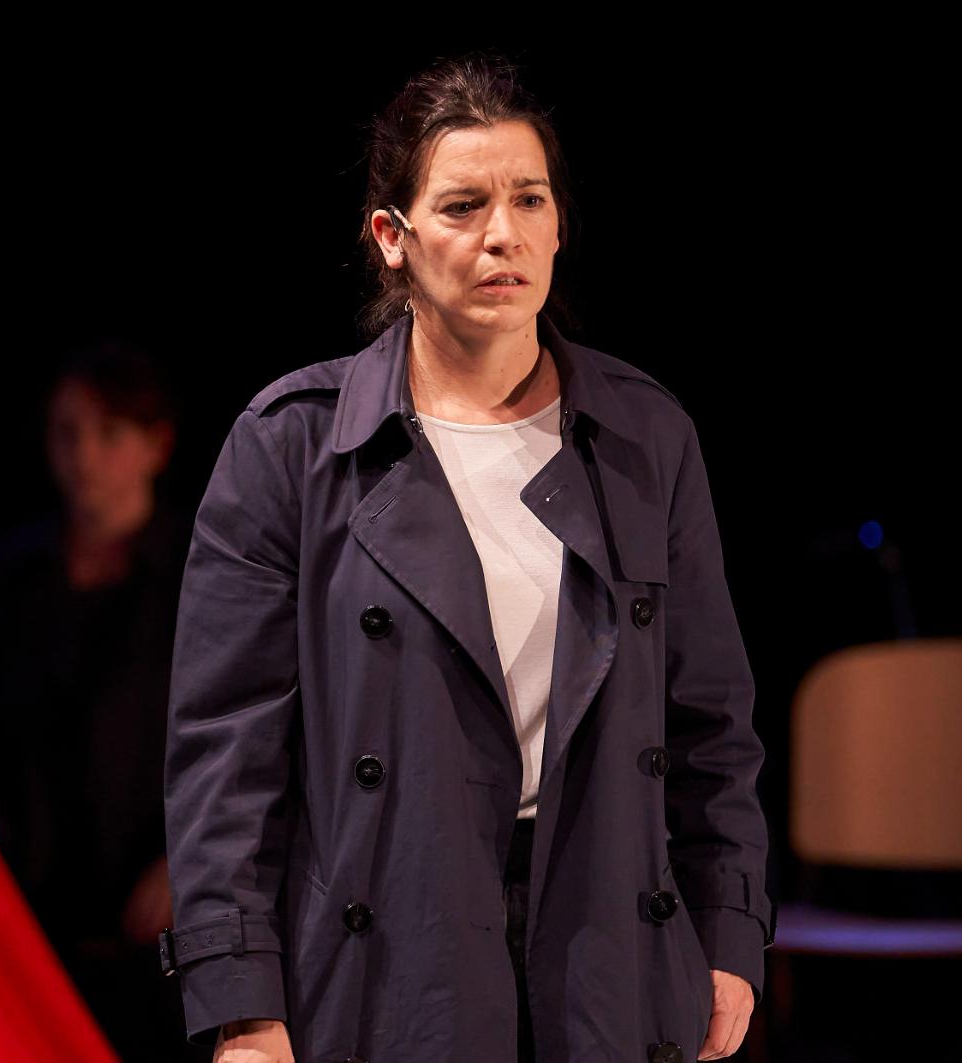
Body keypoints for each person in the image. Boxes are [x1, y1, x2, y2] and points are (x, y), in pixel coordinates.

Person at [160, 56, 774, 1063]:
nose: (502, 234)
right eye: (462, 205)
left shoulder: (644, 435)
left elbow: (712, 723)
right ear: (390, 237)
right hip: (392, 942)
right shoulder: (291, 445)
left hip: (606, 940)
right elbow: (226, 759)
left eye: (529, 199)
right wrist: (241, 1003)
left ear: (559, 225)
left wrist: (732, 931)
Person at [0, 342, 194, 1059]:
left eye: (109, 433)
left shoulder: (202, 570)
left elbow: (255, 732)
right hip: (32, 908)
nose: (84, 455)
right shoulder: (7, 578)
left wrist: (192, 857)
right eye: (67, 433)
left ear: (156, 444)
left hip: (160, 916)